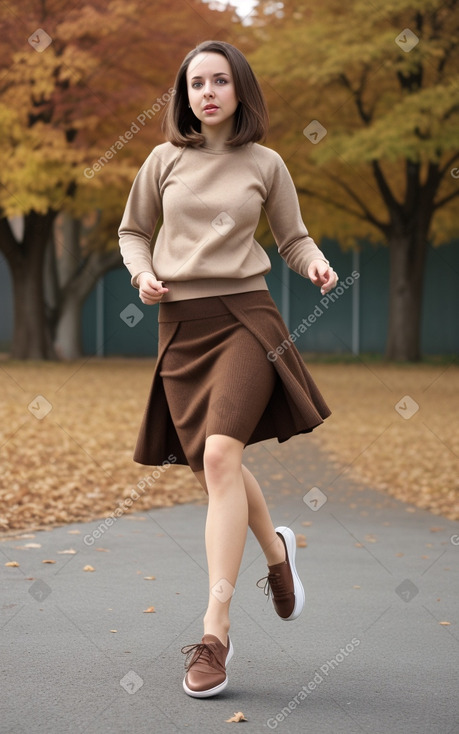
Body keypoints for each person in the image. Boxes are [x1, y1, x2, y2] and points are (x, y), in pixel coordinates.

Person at [118, 39, 338, 699]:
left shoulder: (265, 163)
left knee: (218, 457)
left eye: (219, 80)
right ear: (184, 97)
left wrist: (316, 264)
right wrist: (143, 272)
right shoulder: (162, 161)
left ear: (239, 90)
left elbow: (291, 237)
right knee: (219, 465)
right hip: (180, 328)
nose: (207, 92)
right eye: (195, 84)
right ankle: (277, 554)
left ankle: (215, 632)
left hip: (247, 319)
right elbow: (133, 231)